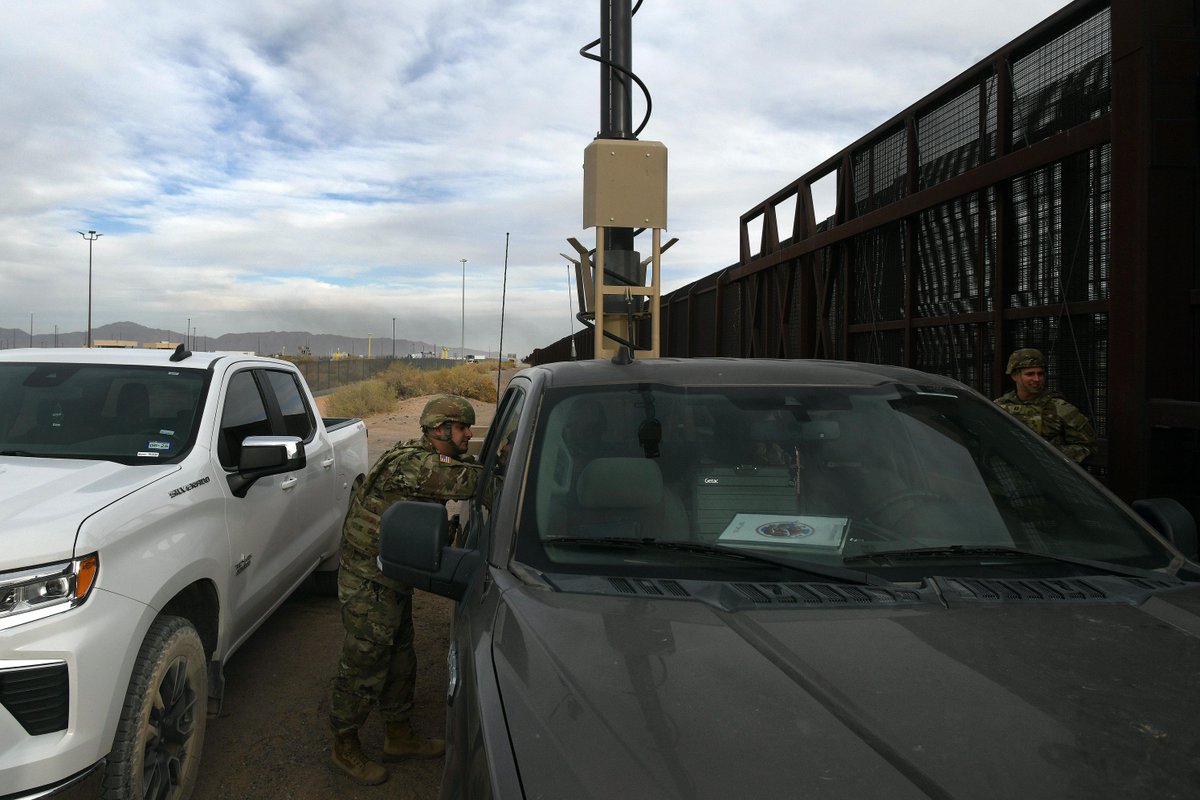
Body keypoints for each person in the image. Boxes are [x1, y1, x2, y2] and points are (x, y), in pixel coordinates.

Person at [328, 394, 482, 785]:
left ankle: (399, 736)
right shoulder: (417, 465)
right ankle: (344, 744)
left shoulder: (425, 455)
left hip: (390, 569)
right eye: (462, 427)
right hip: (368, 576)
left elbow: (462, 466)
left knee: (399, 654)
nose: (468, 434)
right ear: (439, 430)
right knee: (365, 658)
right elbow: (475, 483)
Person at [995, 348, 1098, 464]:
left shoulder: (1060, 408)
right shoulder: (999, 407)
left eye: (1040, 374)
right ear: (1015, 376)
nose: (1036, 379)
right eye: (1030, 374)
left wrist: (1050, 454)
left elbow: (1088, 446)